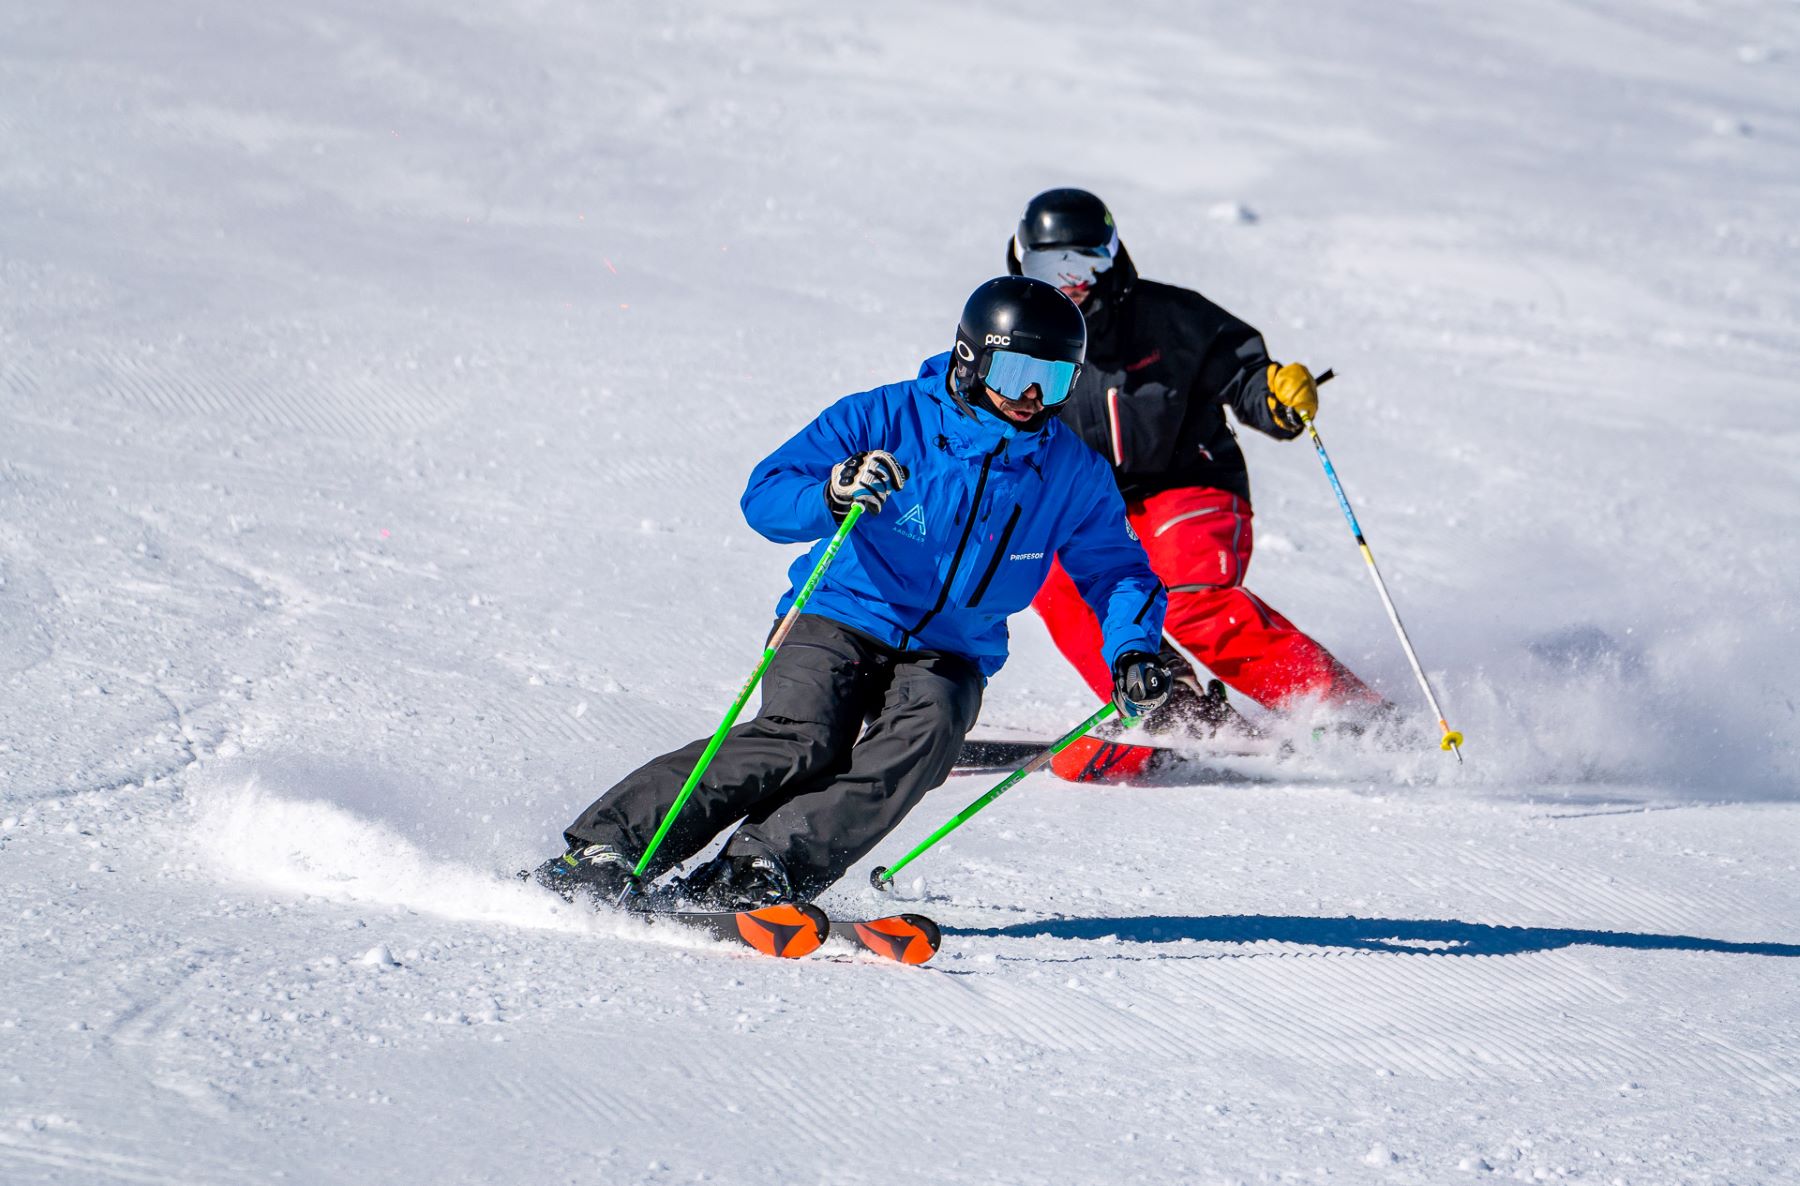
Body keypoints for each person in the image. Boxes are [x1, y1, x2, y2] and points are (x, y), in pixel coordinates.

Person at [533, 276, 1172, 910]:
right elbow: (766, 495)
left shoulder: (1071, 471)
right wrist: (832, 493)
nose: (1032, 396)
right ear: (972, 357)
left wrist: (1134, 649)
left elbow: (1117, 569)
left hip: (953, 647)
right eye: (1016, 373)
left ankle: (761, 868)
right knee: (803, 735)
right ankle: (607, 846)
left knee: (929, 733)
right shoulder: (883, 418)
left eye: (1055, 379)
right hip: (839, 612)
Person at [1002, 188, 1386, 782]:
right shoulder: (1016, 337)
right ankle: (1163, 699)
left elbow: (1247, 376)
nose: (1073, 282)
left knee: (1188, 600)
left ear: (1113, 255)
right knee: (1047, 574)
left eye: (1087, 262)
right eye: (1052, 267)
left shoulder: (1170, 318)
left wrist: (1278, 397)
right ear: (1023, 263)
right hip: (1090, 505)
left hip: (1191, 483)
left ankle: (1344, 709)